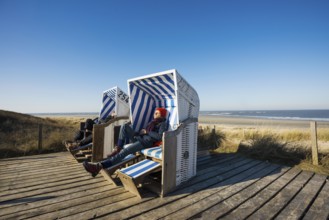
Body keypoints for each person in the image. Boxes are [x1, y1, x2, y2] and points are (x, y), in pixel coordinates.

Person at [82, 107, 168, 177]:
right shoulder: (152, 122)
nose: (154, 114)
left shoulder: (162, 124)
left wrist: (147, 132)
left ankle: (98, 166)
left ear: (162, 115)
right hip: (140, 138)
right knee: (124, 126)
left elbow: (160, 137)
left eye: (157, 113)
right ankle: (118, 148)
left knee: (124, 152)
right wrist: (140, 132)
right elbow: (145, 132)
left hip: (146, 143)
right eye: (154, 113)